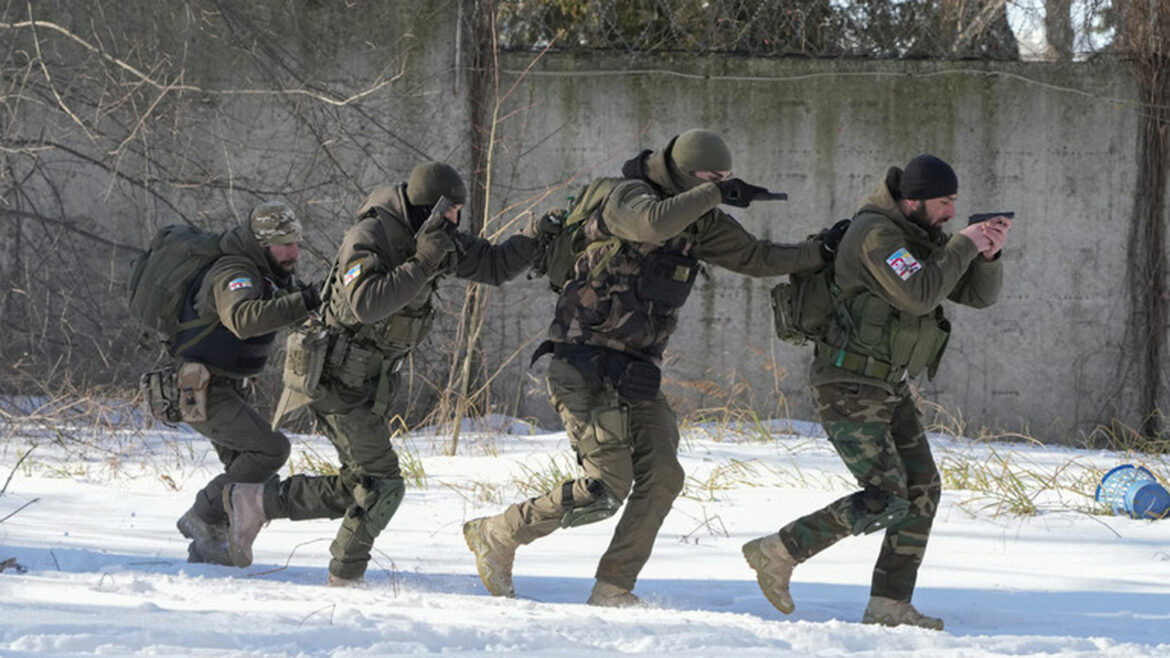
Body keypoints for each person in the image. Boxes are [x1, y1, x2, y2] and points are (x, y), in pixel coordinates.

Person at [463, 129, 831, 607]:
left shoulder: (701, 219)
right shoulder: (628, 196)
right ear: (682, 172)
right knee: (603, 487)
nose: (720, 185)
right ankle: (499, 533)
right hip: (583, 364)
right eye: (709, 177)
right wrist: (715, 194)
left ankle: (613, 586)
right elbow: (649, 225)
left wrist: (821, 250)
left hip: (636, 372)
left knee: (662, 476)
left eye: (724, 178)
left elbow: (757, 257)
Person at [221, 161, 543, 586]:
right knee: (381, 486)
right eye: (450, 213)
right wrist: (424, 264)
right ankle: (345, 580)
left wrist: (538, 240)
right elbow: (365, 304)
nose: (456, 222)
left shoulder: (431, 238)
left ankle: (256, 502)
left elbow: (494, 265)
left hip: (367, 383)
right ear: (429, 208)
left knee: (360, 485)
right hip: (334, 379)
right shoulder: (370, 236)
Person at [741, 154, 1011, 630]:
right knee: (887, 495)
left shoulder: (918, 236)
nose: (951, 212)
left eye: (954, 203)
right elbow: (920, 294)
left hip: (887, 383)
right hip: (848, 382)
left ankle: (889, 605)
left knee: (922, 490)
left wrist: (986, 254)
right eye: (944, 202)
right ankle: (779, 551)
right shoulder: (876, 235)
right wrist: (964, 244)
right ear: (912, 200)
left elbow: (976, 295)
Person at [175, 201, 319, 565]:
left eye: (296, 242)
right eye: (284, 244)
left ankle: (206, 549)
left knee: (244, 469)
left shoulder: (268, 273)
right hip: (200, 388)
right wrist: (303, 302)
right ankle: (202, 516)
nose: (294, 252)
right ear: (261, 244)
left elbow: (292, 306)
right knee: (270, 451)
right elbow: (242, 318)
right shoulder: (234, 272)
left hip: (223, 387)